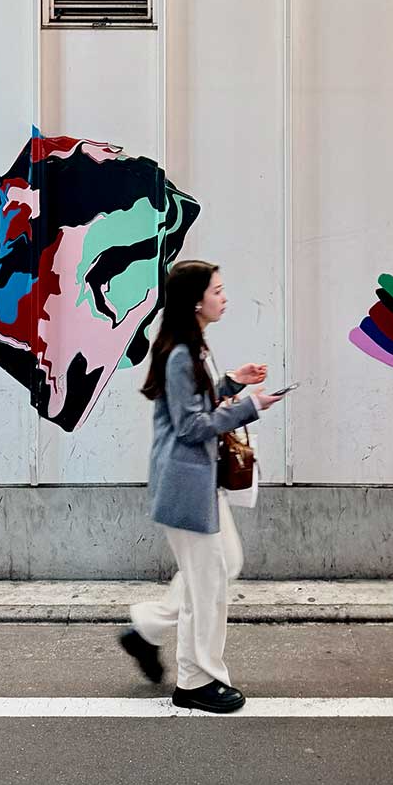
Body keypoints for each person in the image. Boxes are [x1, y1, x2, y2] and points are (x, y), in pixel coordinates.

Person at [119, 260, 283, 713]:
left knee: (222, 565)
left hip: (197, 482)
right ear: (196, 300)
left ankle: (148, 629)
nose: (224, 296)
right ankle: (196, 680)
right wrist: (250, 406)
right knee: (207, 587)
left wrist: (232, 382)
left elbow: (195, 402)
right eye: (218, 290)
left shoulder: (192, 348)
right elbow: (191, 425)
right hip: (185, 485)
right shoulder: (180, 355)